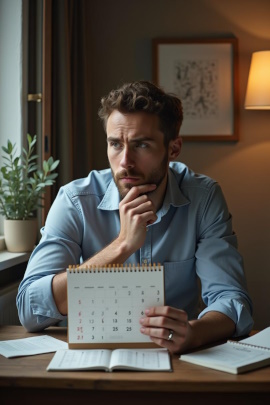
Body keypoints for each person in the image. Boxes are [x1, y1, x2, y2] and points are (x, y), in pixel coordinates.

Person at [17, 80, 253, 354]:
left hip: (180, 360)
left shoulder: (204, 197)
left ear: (173, 148)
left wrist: (194, 333)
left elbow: (232, 299)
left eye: (141, 145)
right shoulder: (75, 201)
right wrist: (121, 246)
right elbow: (29, 308)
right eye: (115, 144)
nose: (125, 161)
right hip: (89, 359)